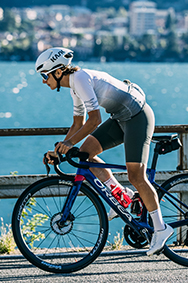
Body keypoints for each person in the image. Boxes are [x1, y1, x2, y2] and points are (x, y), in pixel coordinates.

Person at [36, 47, 173, 256]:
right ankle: (123, 196)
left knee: (136, 175)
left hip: (138, 117)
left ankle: (161, 229)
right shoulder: (73, 86)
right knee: (85, 154)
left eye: (45, 76)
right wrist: (61, 148)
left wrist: (69, 143)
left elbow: (95, 121)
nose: (43, 81)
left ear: (57, 71)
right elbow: (77, 123)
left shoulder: (80, 79)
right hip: (120, 118)